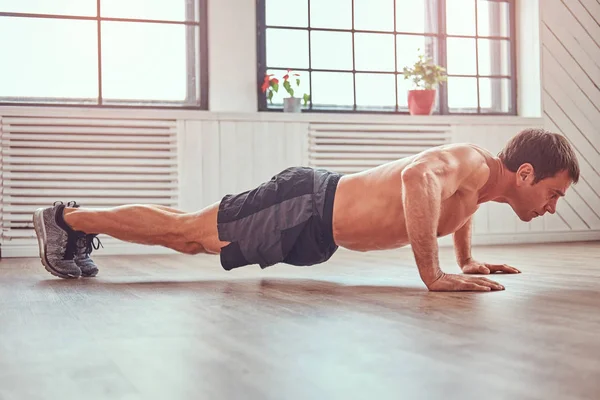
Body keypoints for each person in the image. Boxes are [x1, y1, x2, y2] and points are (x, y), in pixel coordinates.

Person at [32, 128, 580, 291]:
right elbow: (418, 178)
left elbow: (460, 204)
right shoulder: (470, 159)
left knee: (192, 233)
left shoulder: (480, 183)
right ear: (526, 174)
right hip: (306, 203)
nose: (553, 207)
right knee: (187, 235)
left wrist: (467, 260)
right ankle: (65, 220)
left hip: (314, 228)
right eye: (554, 193)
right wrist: (431, 275)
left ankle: (72, 225)